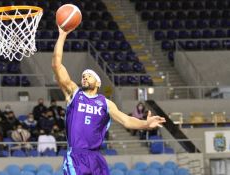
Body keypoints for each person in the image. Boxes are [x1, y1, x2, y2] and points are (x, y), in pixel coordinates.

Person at [52, 26, 166, 175]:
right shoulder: (74, 93)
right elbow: (56, 65)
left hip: (96, 157)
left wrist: (145, 124)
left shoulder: (105, 103)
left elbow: (126, 120)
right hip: (76, 156)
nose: (84, 77)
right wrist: (62, 35)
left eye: (89, 75)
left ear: (98, 83)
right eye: (83, 76)